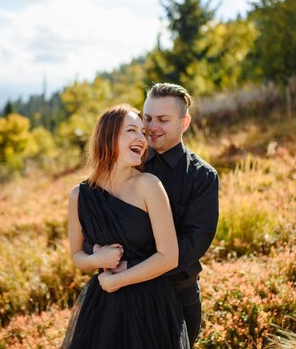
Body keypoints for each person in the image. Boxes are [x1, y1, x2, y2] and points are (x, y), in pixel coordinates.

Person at [86, 83, 220, 346]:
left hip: (177, 293)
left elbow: (193, 244)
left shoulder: (201, 177)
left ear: (185, 122)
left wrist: (130, 267)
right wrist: (99, 253)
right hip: (121, 294)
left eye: (163, 120)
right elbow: (96, 222)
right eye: (147, 118)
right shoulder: (124, 163)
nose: (151, 127)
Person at [62, 104, 190, 349]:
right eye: (132, 130)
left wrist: (118, 280)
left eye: (143, 132)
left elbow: (169, 257)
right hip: (103, 308)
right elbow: (77, 256)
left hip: (150, 305)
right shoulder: (79, 195)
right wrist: (97, 258)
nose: (142, 138)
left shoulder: (149, 185)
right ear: (109, 137)